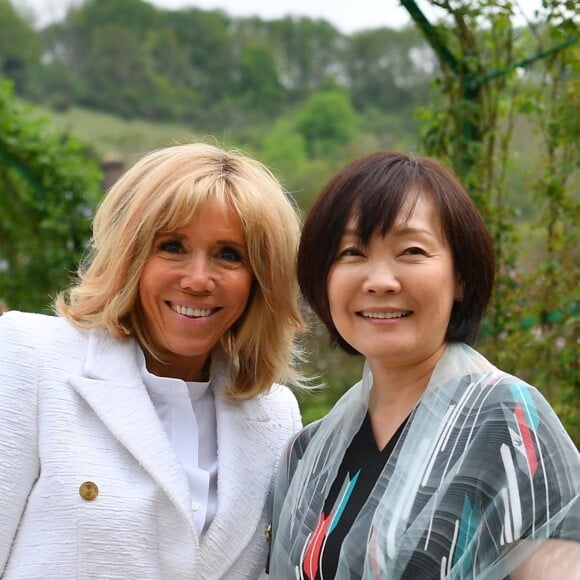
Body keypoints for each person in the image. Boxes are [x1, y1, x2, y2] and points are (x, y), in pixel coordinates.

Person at [0, 142, 306, 579]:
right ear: (131, 255)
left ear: (261, 280)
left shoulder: (275, 416)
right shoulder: (29, 355)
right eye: (173, 247)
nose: (198, 280)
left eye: (229, 255)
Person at [269, 151, 580, 579]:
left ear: (461, 277)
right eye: (352, 253)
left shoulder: (510, 426)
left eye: (411, 251)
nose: (380, 281)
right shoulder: (306, 455)